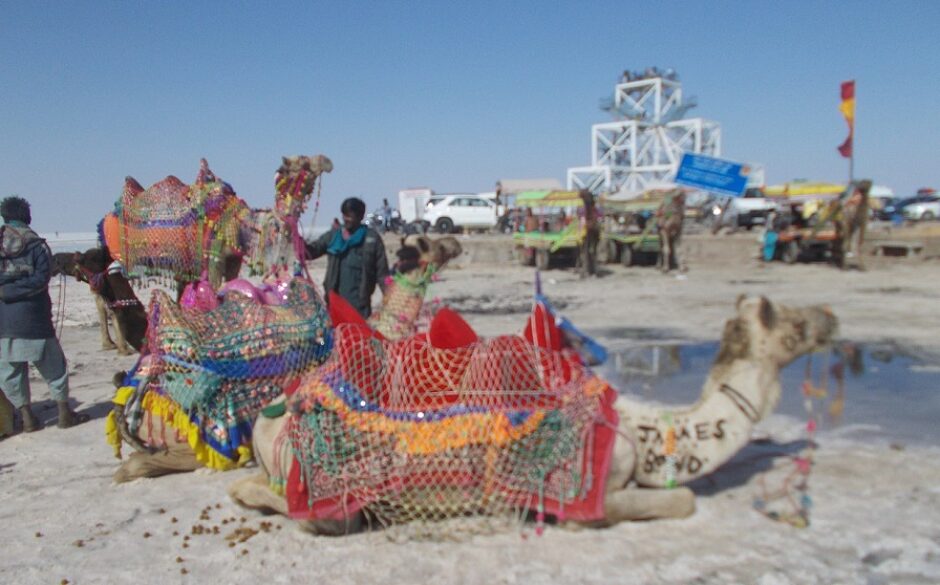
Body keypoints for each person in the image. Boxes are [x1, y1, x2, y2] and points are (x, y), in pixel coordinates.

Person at [0, 196, 88, 431]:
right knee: (55, 368)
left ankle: (27, 418)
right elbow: (41, 279)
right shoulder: (38, 246)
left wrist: (6, 292)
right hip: (35, 318)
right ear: (27, 217)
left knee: (11, 372)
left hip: (5, 321)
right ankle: (63, 414)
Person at [305, 197, 389, 318]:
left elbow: (383, 274)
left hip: (360, 306)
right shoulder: (334, 236)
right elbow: (311, 252)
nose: (346, 219)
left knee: (359, 335)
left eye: (350, 216)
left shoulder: (372, 239)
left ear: (360, 217)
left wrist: (391, 299)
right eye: (344, 215)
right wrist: (295, 237)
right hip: (334, 303)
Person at [578, 189, 600, 278]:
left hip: (588, 231)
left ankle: (587, 271)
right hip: (591, 231)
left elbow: (583, 221)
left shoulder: (585, 209)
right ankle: (591, 271)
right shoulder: (593, 209)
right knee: (591, 252)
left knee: (586, 252)